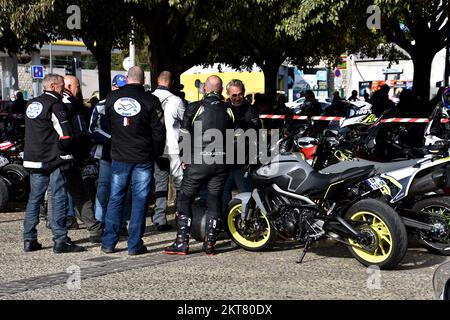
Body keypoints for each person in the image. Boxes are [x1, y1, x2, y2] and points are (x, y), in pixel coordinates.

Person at [164, 75, 236, 256]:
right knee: (214, 202)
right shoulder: (230, 110)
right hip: (221, 162)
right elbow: (235, 136)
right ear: (220, 90)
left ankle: (182, 242)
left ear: (206, 88)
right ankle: (210, 244)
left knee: (184, 200)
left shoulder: (195, 107)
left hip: (199, 162)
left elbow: (184, 135)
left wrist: (184, 159)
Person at [101, 66, 166, 255]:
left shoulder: (111, 98)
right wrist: (156, 152)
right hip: (143, 156)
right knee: (140, 199)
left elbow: (106, 125)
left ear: (127, 78)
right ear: (143, 79)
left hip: (119, 155)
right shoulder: (151, 100)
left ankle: (108, 242)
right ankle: (134, 244)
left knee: (115, 197)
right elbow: (159, 132)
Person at [22, 74, 85, 253]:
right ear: (53, 86)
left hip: (33, 157)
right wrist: (67, 151)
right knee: (58, 196)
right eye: (61, 85)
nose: (63, 88)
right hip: (53, 159)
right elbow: (66, 134)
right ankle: (60, 239)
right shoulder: (56, 105)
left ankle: (29, 239)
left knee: (34, 198)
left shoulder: (32, 103)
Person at [63, 75, 104, 243]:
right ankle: (94, 229)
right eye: (78, 87)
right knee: (79, 193)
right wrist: (83, 156)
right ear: (71, 86)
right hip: (70, 156)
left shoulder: (50, 104)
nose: (79, 91)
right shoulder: (73, 106)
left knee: (55, 195)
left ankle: (60, 229)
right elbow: (80, 133)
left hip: (51, 157)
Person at [89, 74, 129, 234]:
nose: (120, 91)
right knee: (104, 189)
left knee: (125, 191)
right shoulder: (100, 106)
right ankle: (100, 223)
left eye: (123, 88)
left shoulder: (130, 106)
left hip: (125, 156)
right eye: (117, 88)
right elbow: (92, 130)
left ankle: (121, 224)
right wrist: (113, 139)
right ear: (112, 87)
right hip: (107, 155)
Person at [151, 71, 185, 231]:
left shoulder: (149, 98)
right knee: (179, 184)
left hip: (156, 148)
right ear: (171, 82)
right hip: (173, 148)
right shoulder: (176, 101)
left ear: (158, 79)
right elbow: (185, 124)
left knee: (160, 183)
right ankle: (180, 216)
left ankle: (159, 218)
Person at [222, 79, 258, 212]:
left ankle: (247, 220)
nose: (237, 98)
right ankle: (225, 218)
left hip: (244, 159)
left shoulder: (250, 110)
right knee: (224, 190)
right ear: (228, 94)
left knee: (245, 191)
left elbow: (254, 132)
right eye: (234, 95)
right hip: (226, 156)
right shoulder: (224, 108)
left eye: (240, 94)